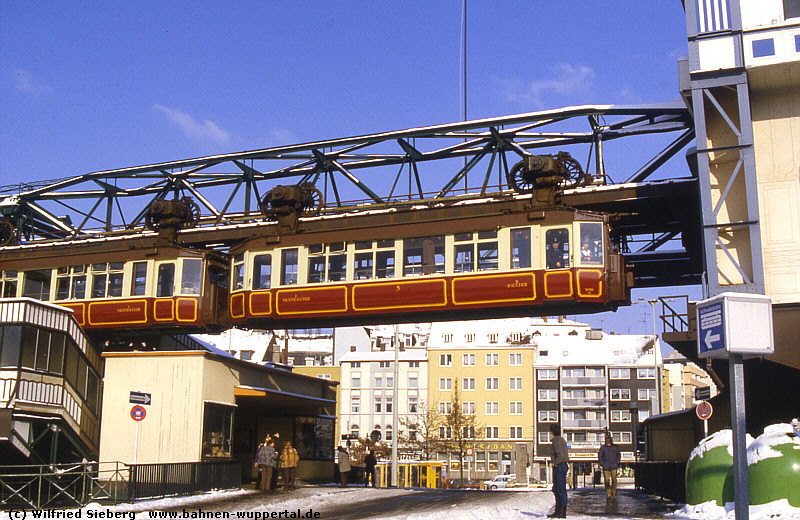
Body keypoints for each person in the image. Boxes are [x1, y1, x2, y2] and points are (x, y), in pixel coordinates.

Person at [548, 424, 569, 518]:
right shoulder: (562, 440)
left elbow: (560, 454)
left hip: (559, 466)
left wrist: (556, 463)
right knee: (557, 489)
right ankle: (559, 510)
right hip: (562, 465)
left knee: (560, 489)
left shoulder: (557, 441)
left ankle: (561, 511)